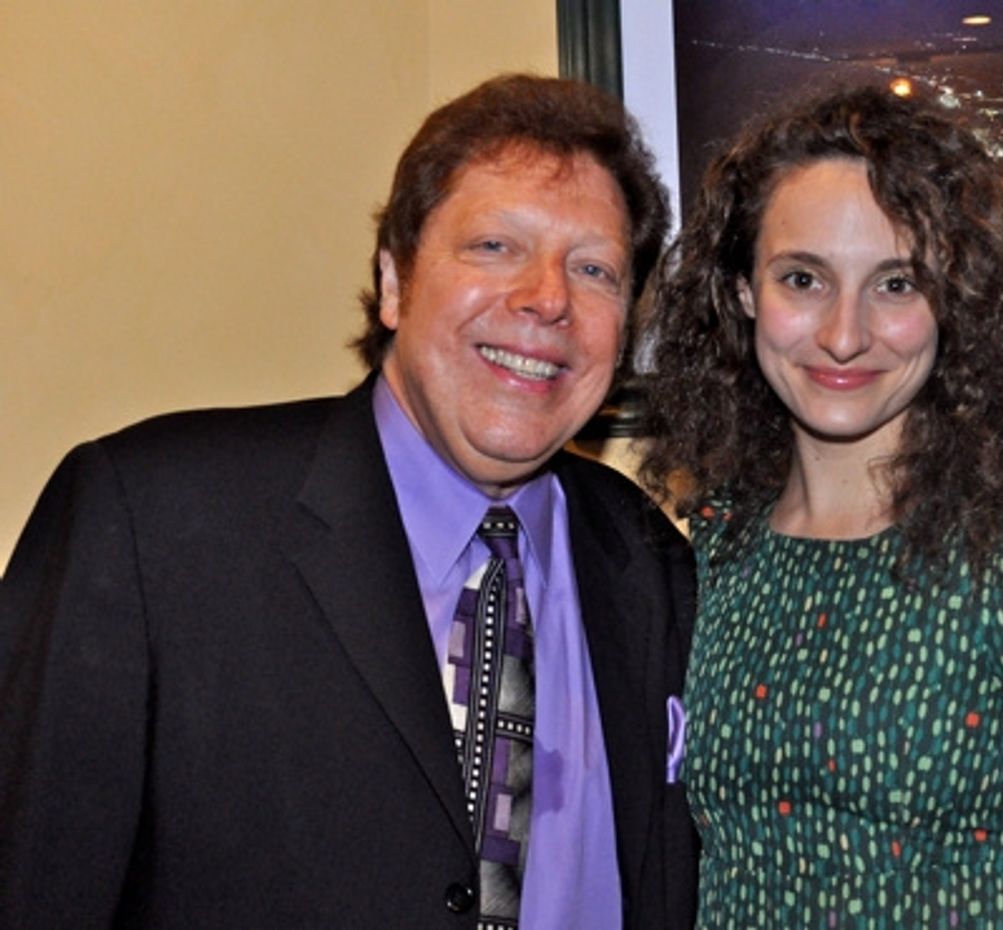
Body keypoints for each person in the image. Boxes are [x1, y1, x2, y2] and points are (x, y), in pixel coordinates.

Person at [0, 74, 698, 929]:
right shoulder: (152, 523)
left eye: (594, 269)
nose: (547, 299)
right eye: (494, 248)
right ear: (395, 280)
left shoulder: (654, 562)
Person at [638, 85, 1003, 927]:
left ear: (954, 302)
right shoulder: (721, 545)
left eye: (896, 283)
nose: (844, 334)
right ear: (744, 292)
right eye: (803, 279)